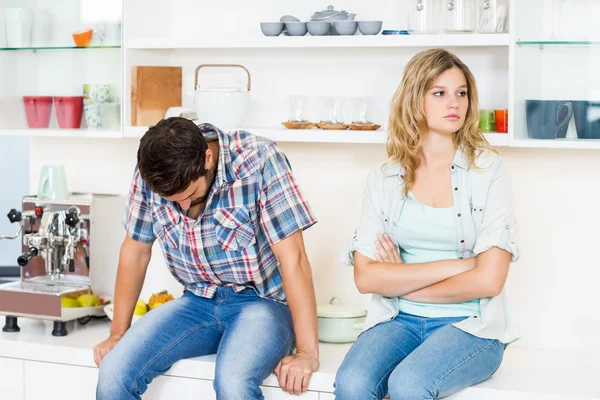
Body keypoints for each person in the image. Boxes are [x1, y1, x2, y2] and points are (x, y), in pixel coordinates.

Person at [334, 48, 520, 400]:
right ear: (414, 100)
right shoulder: (385, 177)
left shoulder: (489, 172)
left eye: (461, 93)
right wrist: (460, 265)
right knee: (352, 383)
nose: (455, 103)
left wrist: (402, 280)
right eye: (439, 92)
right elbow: (366, 277)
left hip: (471, 327)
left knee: (409, 383)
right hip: (398, 320)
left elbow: (490, 280)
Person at [93, 118, 320, 399]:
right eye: (173, 201)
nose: (184, 207)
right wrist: (117, 333)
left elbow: (294, 259)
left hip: (262, 304)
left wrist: (307, 353)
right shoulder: (152, 169)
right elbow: (136, 251)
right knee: (113, 373)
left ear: (207, 158)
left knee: (233, 382)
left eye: (189, 195)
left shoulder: (259, 159)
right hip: (196, 301)